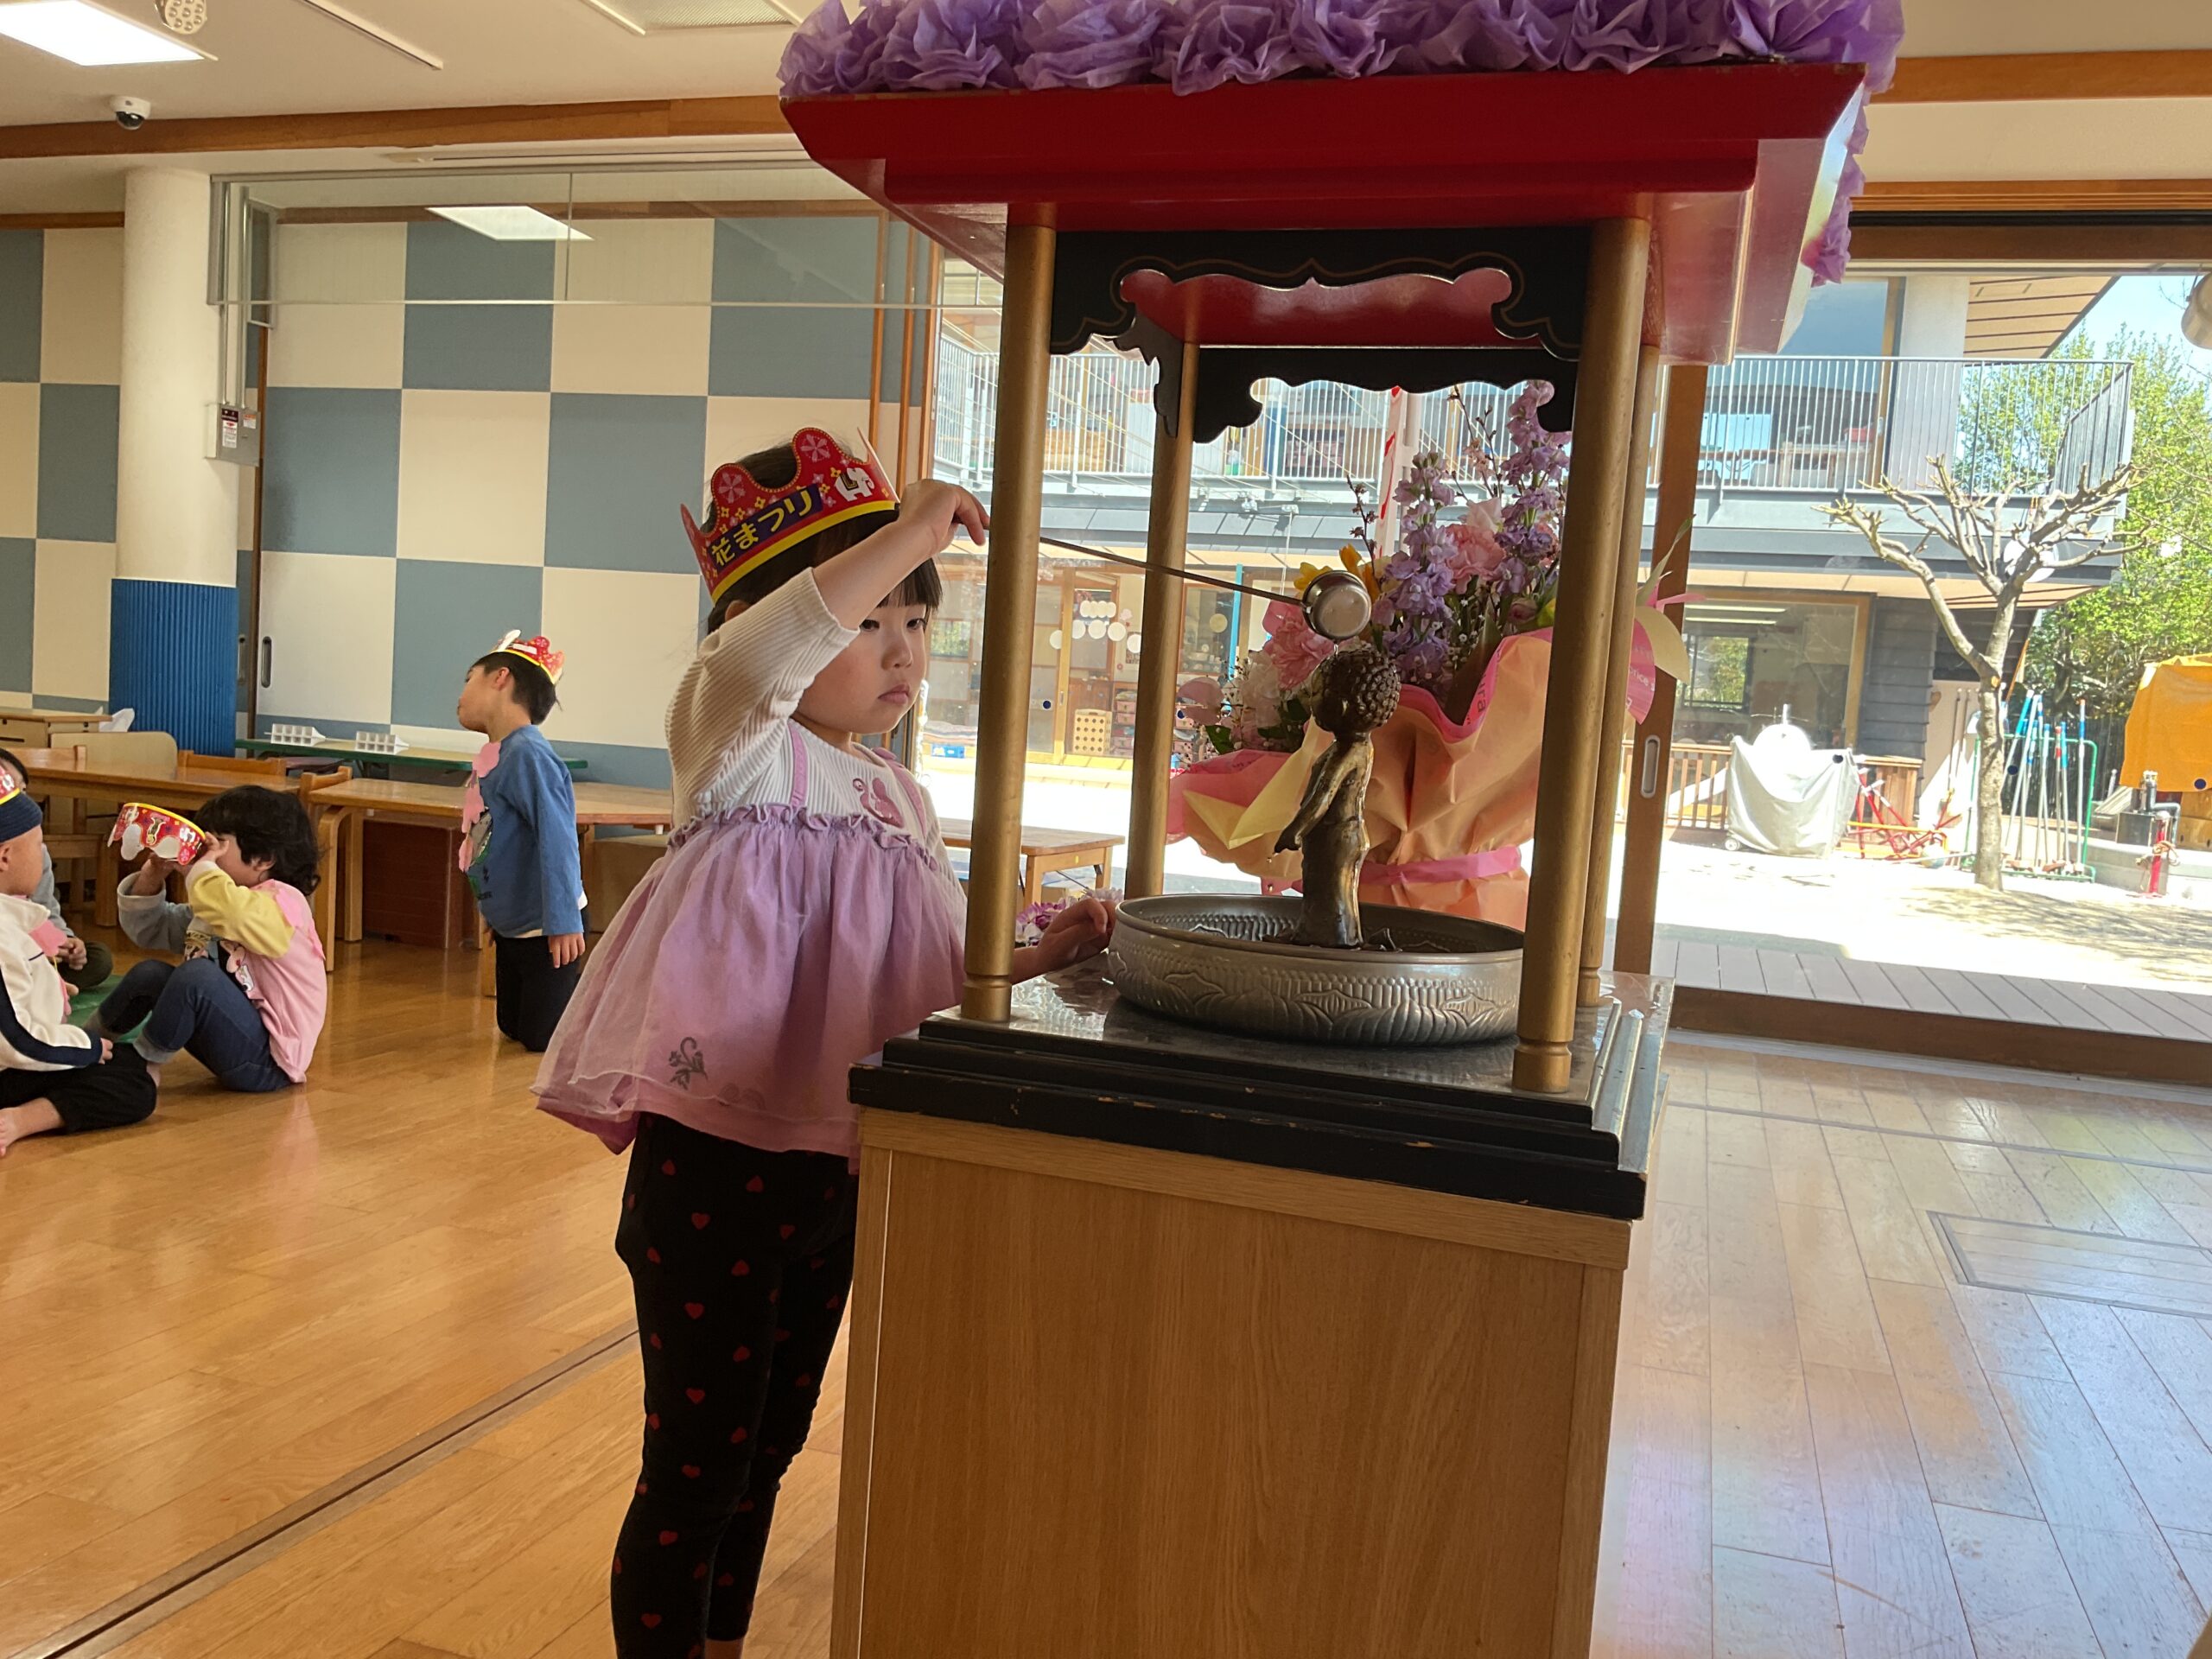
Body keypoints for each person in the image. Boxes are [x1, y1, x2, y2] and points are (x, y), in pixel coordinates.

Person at [535, 429, 1113, 1659]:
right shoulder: (735, 749)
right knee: (697, 1463)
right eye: (869, 621)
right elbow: (761, 655)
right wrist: (906, 531)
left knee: (769, 1451)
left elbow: (929, 968)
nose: (902, 649)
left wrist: (1037, 956)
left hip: (841, 1166)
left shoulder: (901, 796)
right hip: (717, 1163)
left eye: (917, 620)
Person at [93, 785, 327, 1092]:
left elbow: (234, 914)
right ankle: (86, 1042)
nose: (204, 852)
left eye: (217, 844)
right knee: (151, 974)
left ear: (263, 859)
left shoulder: (283, 904)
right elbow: (152, 929)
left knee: (197, 976)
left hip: (268, 1063)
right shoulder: (218, 905)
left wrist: (202, 869)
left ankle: (143, 1064)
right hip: (227, 1041)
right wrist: (152, 876)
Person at [0, 770, 155, 1155]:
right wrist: (86, 1047)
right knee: (130, 1081)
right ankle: (18, 1120)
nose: (43, 855)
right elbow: (15, 1040)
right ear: (5, 857)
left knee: (125, 1063)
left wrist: (49, 988)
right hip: (14, 1060)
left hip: (22, 1050)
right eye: (39, 845)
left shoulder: (12, 917)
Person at [457, 631, 585, 1052]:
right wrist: (493, 908)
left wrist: (563, 921)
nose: (461, 694)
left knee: (541, 1039)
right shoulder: (496, 754)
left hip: (545, 922)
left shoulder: (528, 753)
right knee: (511, 1026)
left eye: (469, 679)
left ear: (500, 678)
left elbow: (558, 838)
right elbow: (485, 837)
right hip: (514, 924)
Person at [0, 747, 112, 993]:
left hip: (35, 947)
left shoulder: (33, 853)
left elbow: (46, 909)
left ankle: (46, 980)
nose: (18, 799)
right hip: (16, 952)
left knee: (97, 958)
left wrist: (66, 940)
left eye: (22, 790)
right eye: (8, 788)